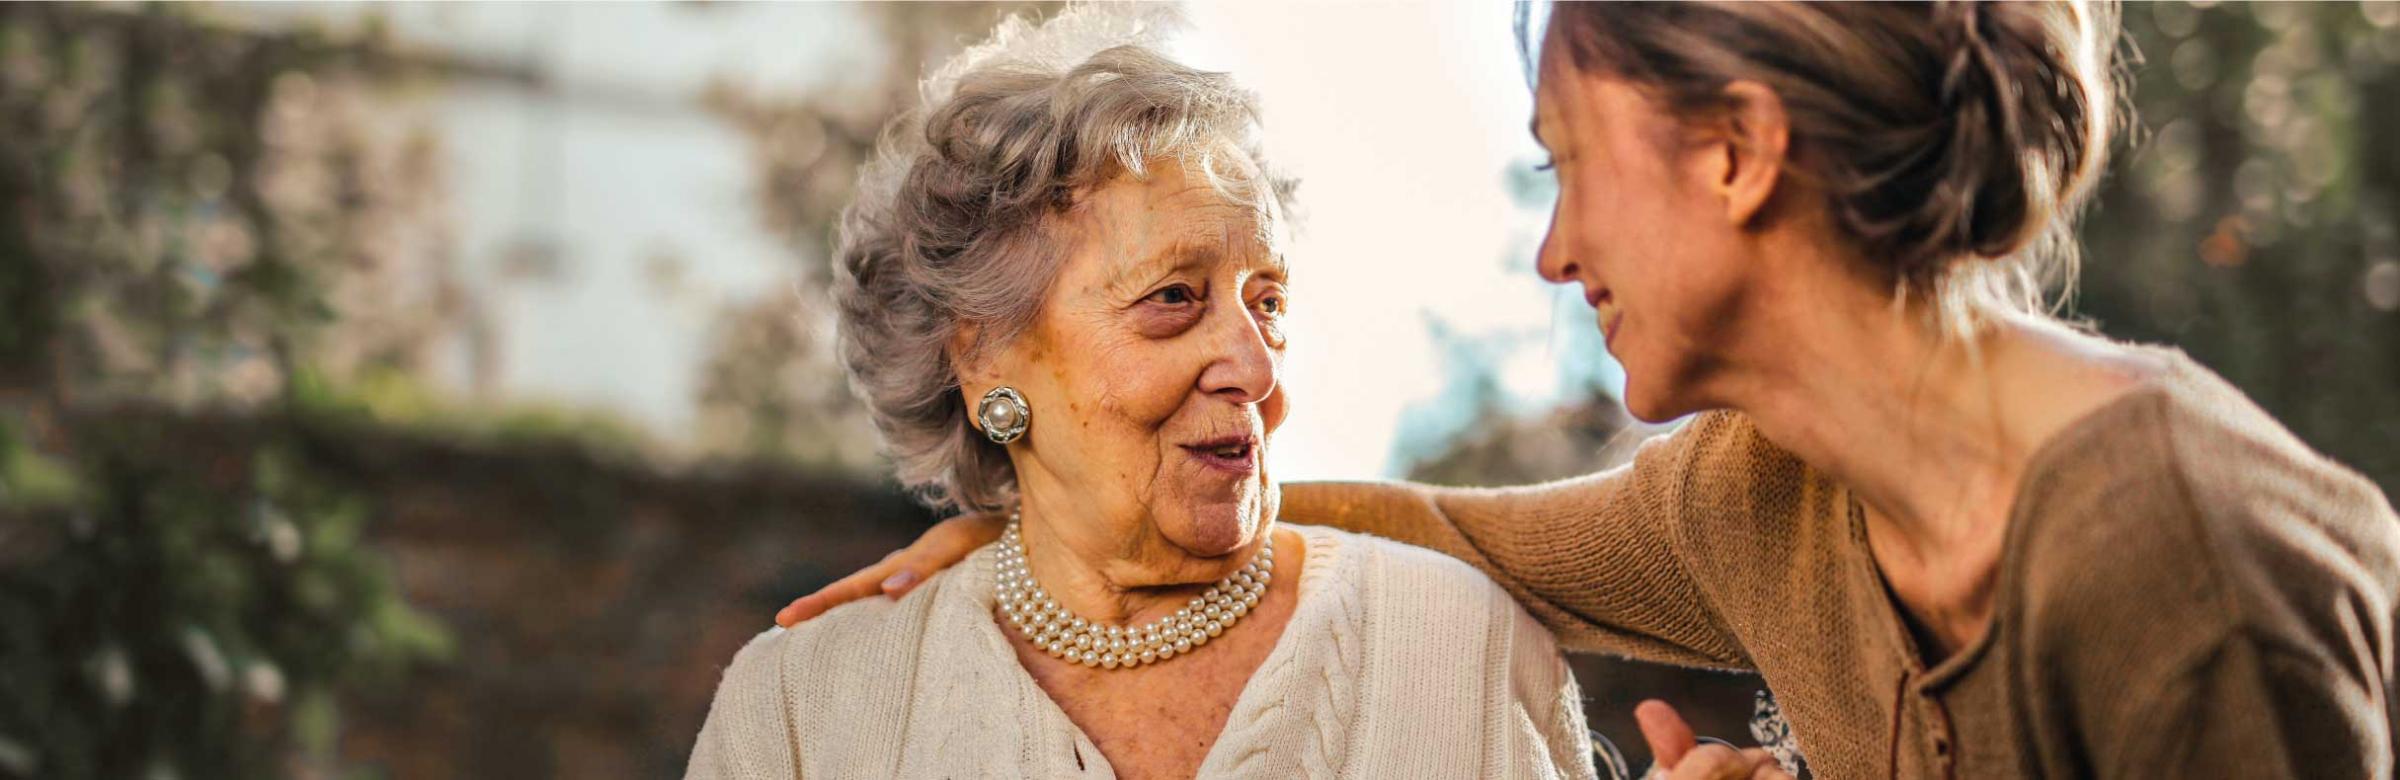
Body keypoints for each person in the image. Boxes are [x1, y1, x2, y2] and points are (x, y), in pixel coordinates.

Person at [778, 2, 2400, 778]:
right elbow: (1449, 536)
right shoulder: (1762, 495)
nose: (1554, 253)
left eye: (1568, 169)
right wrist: (1058, 526)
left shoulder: (2178, 563)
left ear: (1736, 152)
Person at [685, 9, 1627, 779]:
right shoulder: (804, 709)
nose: (1257, 371)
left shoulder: (1458, 648)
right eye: (1173, 298)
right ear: (984, 361)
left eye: (1269, 303)